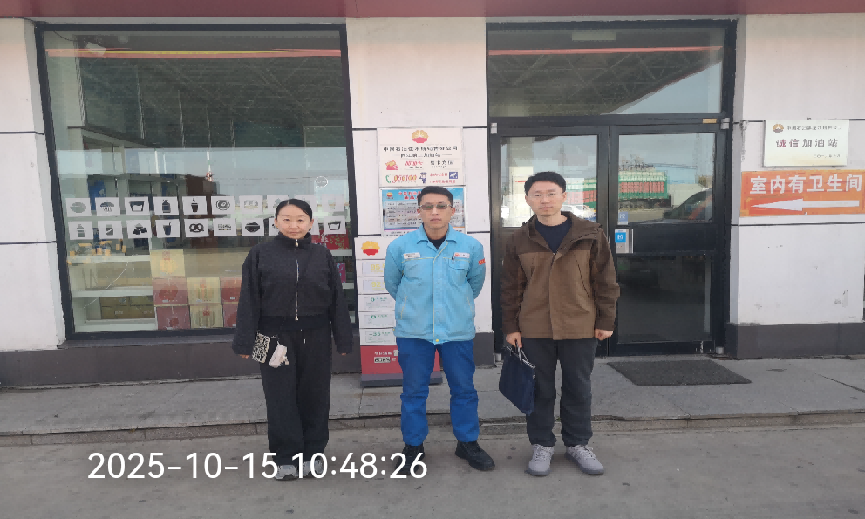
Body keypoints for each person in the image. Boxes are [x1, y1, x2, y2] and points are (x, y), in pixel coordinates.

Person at [500, 171, 620, 477]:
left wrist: (606, 319)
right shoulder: (519, 239)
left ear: (564, 196)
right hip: (534, 326)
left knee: (578, 387)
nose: (545, 200)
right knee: (539, 389)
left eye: (551, 193)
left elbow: (606, 280)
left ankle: (578, 443)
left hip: (580, 323)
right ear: (527, 199)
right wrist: (511, 327)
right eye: (537, 194)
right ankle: (542, 444)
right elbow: (511, 287)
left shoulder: (590, 234)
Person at [232, 198, 352, 481]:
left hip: (316, 334)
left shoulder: (322, 254)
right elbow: (249, 299)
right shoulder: (260, 254)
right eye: (286, 219)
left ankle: (313, 454)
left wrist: (343, 338)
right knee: (279, 397)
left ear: (311, 223)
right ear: (276, 222)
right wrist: (244, 341)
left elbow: (337, 299)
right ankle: (285, 457)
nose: (293, 225)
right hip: (271, 336)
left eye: (300, 219)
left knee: (315, 395)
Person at [384, 186, 495, 474]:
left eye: (441, 206)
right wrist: (415, 308)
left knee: (464, 389)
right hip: (414, 332)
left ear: (452, 210)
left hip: (456, 331)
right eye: (428, 206)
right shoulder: (400, 247)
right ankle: (413, 447)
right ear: (419, 211)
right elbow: (393, 285)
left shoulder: (470, 246)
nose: (435, 211)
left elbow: (475, 284)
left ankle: (467, 442)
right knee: (413, 392)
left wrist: (453, 306)